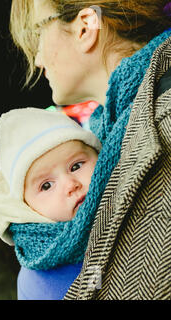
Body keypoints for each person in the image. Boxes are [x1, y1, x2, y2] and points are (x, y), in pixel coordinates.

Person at [9, 0, 171, 299]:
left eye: (37, 35)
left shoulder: (161, 120)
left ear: (85, 27)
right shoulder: (115, 132)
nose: (38, 60)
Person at [0, 108, 101, 299]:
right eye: (46, 186)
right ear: (28, 207)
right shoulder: (35, 279)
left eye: (76, 166)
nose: (71, 184)